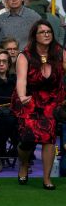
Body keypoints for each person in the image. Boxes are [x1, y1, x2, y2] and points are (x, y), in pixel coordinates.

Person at [11, 20, 65, 190]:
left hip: (51, 100)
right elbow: (21, 80)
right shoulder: (24, 55)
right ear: (35, 35)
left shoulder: (60, 52)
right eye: (42, 32)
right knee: (27, 140)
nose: (46, 34)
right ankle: (24, 164)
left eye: (49, 31)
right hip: (29, 98)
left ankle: (47, 178)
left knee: (49, 138)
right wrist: (22, 96)